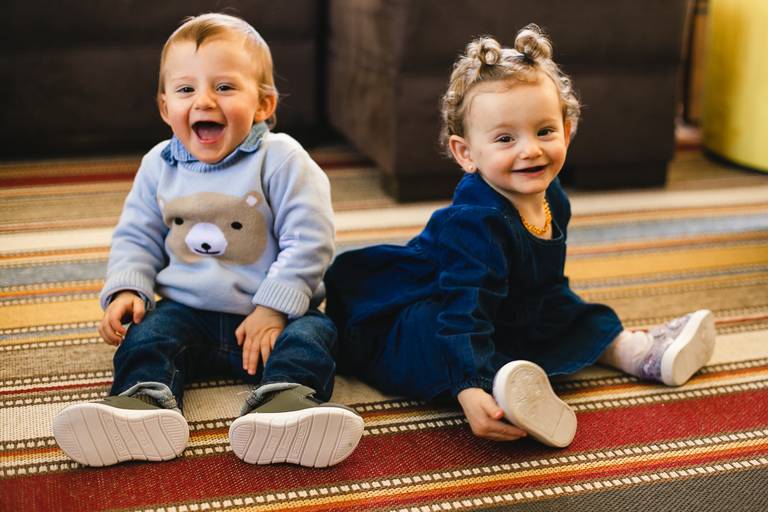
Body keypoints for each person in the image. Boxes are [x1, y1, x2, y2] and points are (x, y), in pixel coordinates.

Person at [324, 25, 715, 448]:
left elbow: (546, 285)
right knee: (430, 335)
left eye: (544, 131)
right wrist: (468, 386)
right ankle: (500, 392)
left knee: (563, 308)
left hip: (509, 305)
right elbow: (463, 311)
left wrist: (567, 316)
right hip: (430, 308)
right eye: (505, 138)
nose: (530, 150)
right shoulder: (474, 222)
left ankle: (636, 352)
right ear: (466, 153)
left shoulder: (553, 197)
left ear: (567, 130)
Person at [52, 13, 363, 468]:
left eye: (224, 87)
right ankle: (142, 404)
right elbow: (137, 234)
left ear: (263, 104)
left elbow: (309, 239)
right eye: (185, 89)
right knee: (147, 336)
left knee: (315, 334)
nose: (204, 100)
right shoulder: (159, 165)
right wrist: (127, 288)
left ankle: (286, 404)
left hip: (268, 317)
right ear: (165, 108)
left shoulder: (282, 160)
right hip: (187, 310)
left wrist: (274, 308)